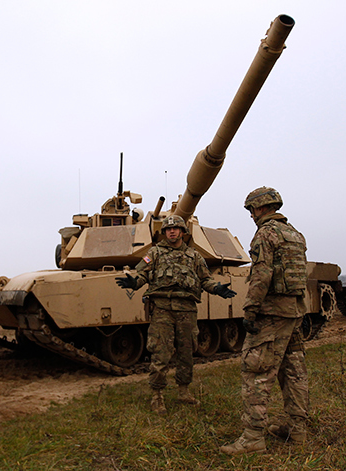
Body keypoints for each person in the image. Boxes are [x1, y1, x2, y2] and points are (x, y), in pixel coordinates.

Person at [115, 214, 236, 415]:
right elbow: (143, 275)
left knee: (186, 352)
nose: (171, 231)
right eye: (168, 229)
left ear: (182, 231)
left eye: (175, 228)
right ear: (164, 233)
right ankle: (157, 396)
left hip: (187, 310)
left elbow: (205, 280)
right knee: (160, 353)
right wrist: (134, 283)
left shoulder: (194, 256)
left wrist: (217, 289)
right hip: (162, 309)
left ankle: (183, 391)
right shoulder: (154, 253)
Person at [221, 187, 309, 455]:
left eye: (251, 209)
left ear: (260, 208)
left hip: (271, 312)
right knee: (293, 371)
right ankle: (298, 432)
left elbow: (262, 273)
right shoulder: (295, 234)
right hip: (294, 311)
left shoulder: (265, 233)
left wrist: (251, 309)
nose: (250, 215)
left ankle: (253, 438)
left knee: (257, 371)